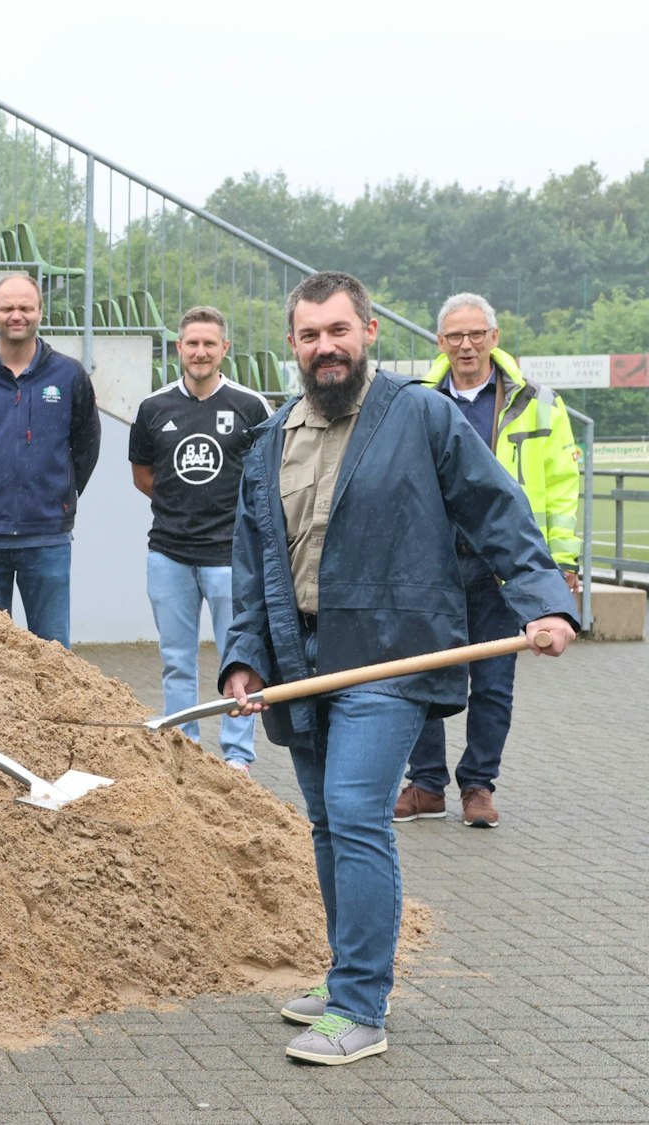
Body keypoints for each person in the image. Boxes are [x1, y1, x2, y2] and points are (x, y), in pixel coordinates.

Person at [220, 271, 576, 1066]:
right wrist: (244, 657)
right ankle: (348, 971)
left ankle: (361, 1007)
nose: (326, 348)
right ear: (292, 346)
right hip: (299, 655)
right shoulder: (270, 440)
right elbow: (254, 564)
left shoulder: (420, 414)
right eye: (310, 336)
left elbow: (497, 507)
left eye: (339, 331)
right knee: (322, 818)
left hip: (393, 653)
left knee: (353, 809)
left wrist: (544, 600)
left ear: (369, 332)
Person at [395, 293, 583, 829]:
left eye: (476, 334)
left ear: (494, 339)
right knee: (424, 675)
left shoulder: (539, 402)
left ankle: (478, 785)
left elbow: (565, 488)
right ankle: (426, 784)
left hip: (503, 566)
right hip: (433, 565)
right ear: (441, 343)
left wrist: (560, 563)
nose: (466, 344)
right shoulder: (418, 401)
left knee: (494, 683)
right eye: (455, 336)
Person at [126, 308, 270, 772]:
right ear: (178, 349)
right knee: (176, 661)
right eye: (192, 343)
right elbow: (144, 476)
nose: (200, 352)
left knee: (239, 661)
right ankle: (183, 751)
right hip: (168, 556)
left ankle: (237, 758)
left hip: (231, 557)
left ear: (224, 349)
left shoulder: (251, 406)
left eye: (210, 343)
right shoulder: (153, 408)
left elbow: (265, 476)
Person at [0, 274, 99, 646]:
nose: (16, 315)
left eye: (25, 307)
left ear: (40, 312)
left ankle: (57, 709)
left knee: (53, 651)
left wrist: (59, 495)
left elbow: (86, 446)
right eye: (8, 308)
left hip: (47, 536)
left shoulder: (69, 375)